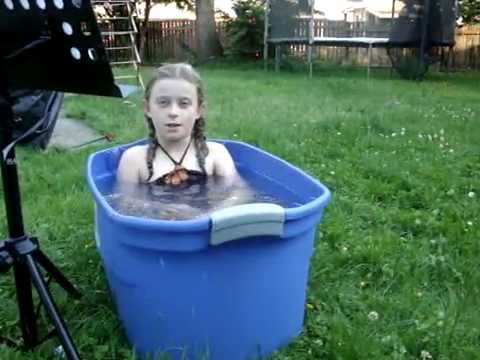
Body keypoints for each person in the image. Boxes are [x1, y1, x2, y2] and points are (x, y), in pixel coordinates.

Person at [117, 63, 238, 187]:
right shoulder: (134, 161)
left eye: (183, 103)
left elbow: (235, 199)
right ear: (147, 108)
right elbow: (126, 205)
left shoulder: (216, 155)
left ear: (199, 110)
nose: (173, 112)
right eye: (163, 102)